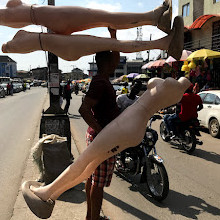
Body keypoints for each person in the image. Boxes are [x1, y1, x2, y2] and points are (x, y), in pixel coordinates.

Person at [78, 28, 120, 220]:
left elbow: (116, 58)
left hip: (97, 136)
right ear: (106, 63)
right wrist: (102, 132)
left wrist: (114, 36)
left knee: (92, 178)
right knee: (98, 183)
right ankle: (94, 218)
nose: (116, 63)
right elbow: (84, 109)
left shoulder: (103, 79)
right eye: (113, 60)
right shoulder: (100, 83)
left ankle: (90, 217)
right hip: (100, 138)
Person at [116, 81, 143, 170]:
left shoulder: (139, 100)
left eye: (138, 89)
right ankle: (121, 159)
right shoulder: (121, 98)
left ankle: (141, 157)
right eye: (135, 87)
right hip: (121, 126)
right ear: (131, 87)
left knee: (152, 135)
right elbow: (115, 112)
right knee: (124, 140)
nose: (136, 90)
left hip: (134, 126)